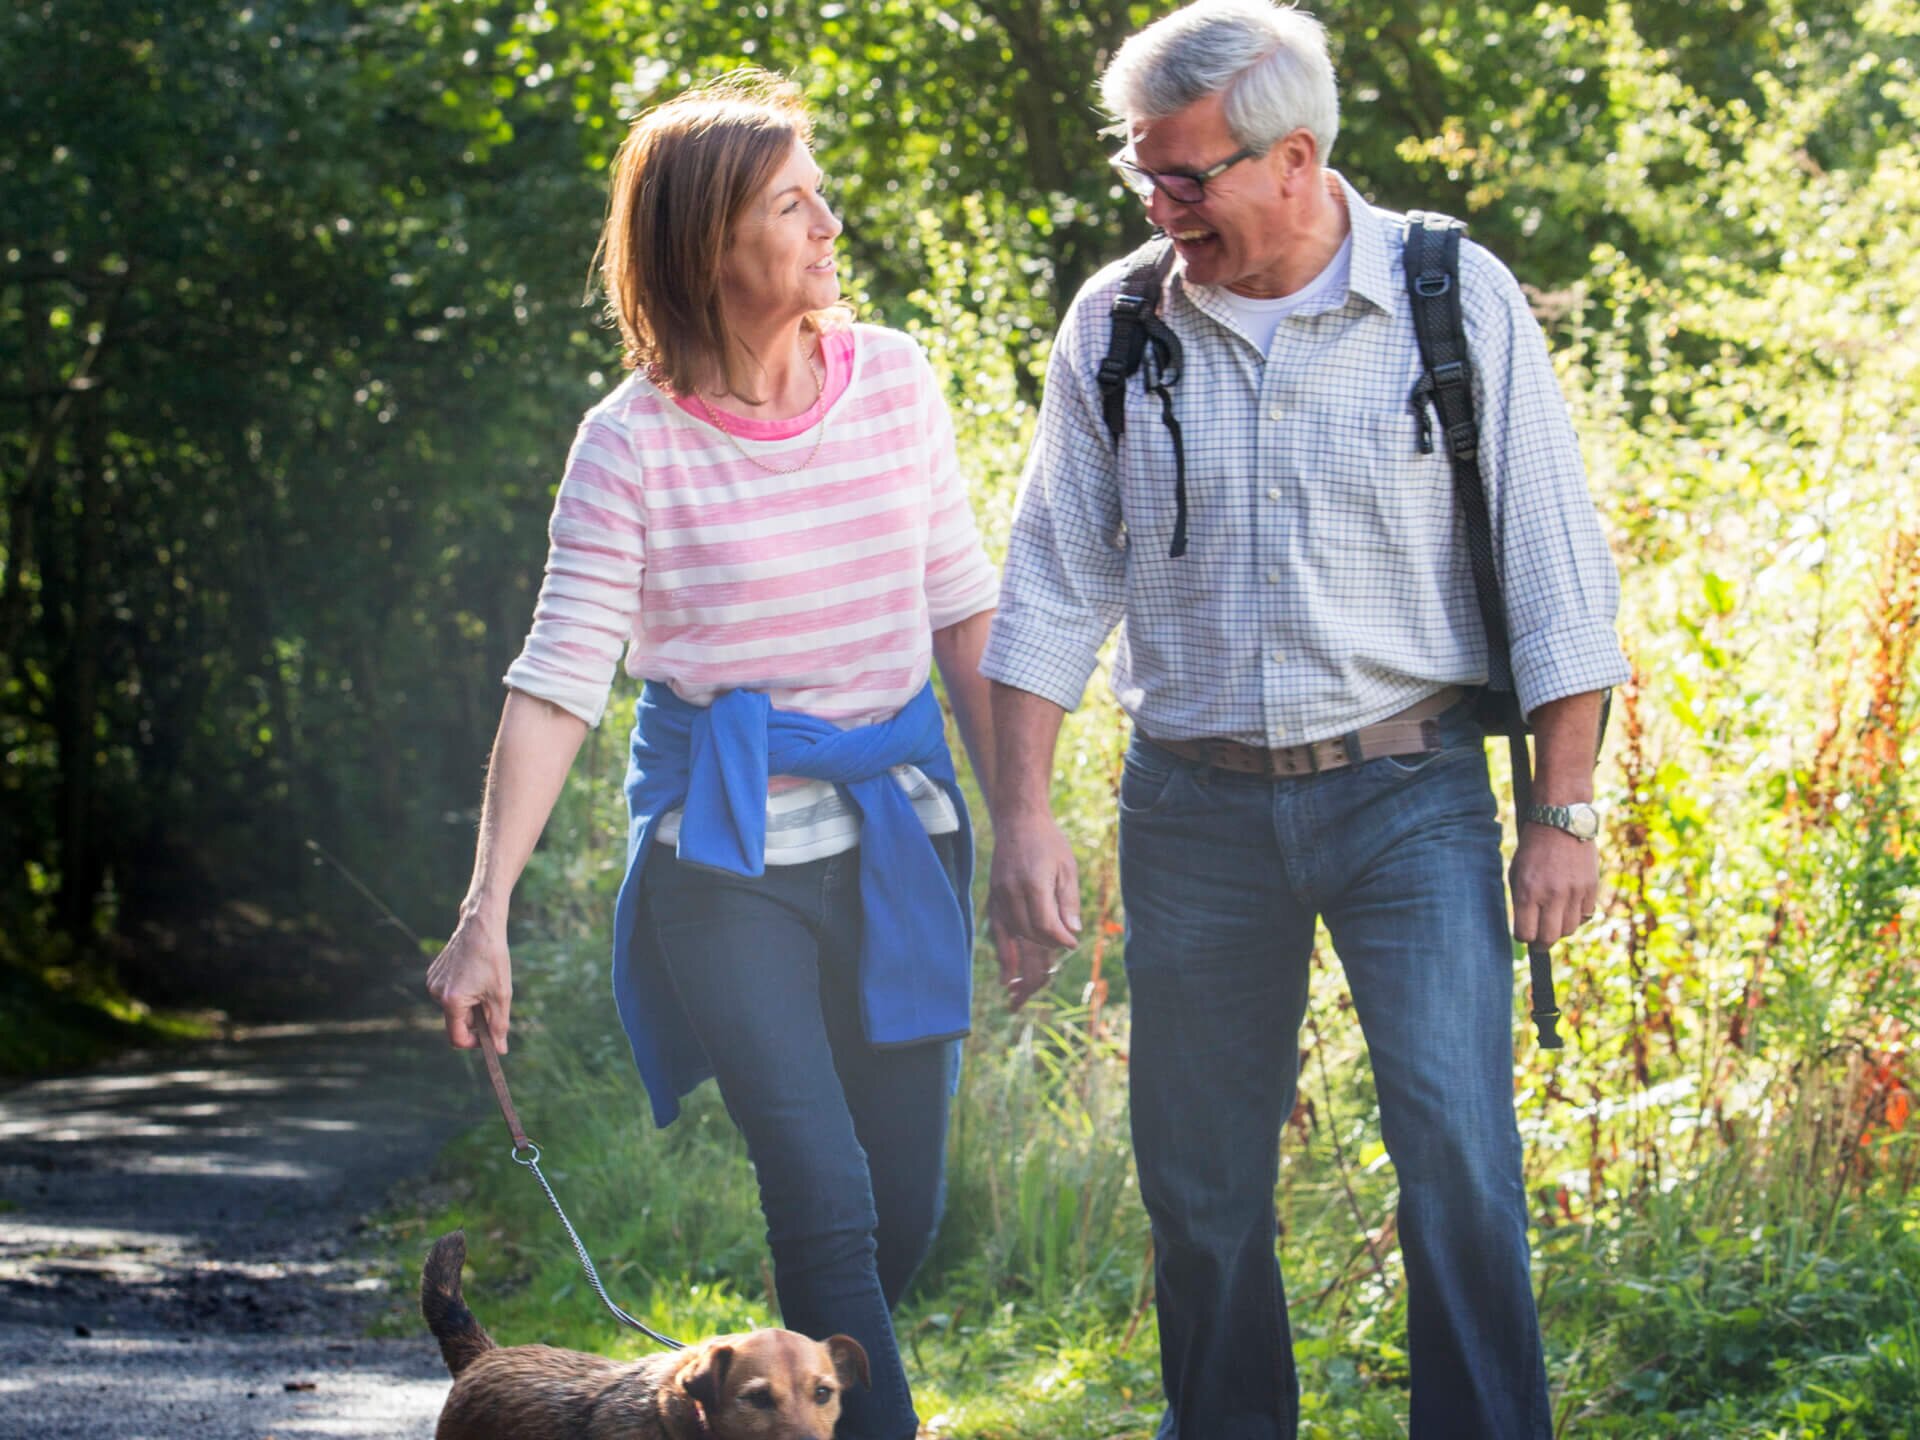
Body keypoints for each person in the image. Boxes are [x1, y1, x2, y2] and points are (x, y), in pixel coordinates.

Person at [981, 3, 1630, 1437]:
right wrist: (1022, 815)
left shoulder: (1454, 299)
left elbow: (1555, 572)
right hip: (1191, 812)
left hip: (1410, 795)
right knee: (1200, 1189)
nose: (1161, 206)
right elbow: (1047, 584)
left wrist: (1563, 814)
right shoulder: (1116, 323)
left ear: (1294, 157)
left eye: (1186, 177)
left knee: (1457, 1157)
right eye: (1143, 175)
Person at [426, 69, 1010, 1440]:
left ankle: (758, 1400)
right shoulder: (628, 446)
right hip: (726, 862)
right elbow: (560, 681)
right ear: (705, 243)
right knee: (825, 1195)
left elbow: (966, 611)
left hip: (897, 841)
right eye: (792, 200)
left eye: (820, 192)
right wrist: (482, 916)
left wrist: (1028, 825)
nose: (830, 220)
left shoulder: (898, 382)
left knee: (902, 1205)